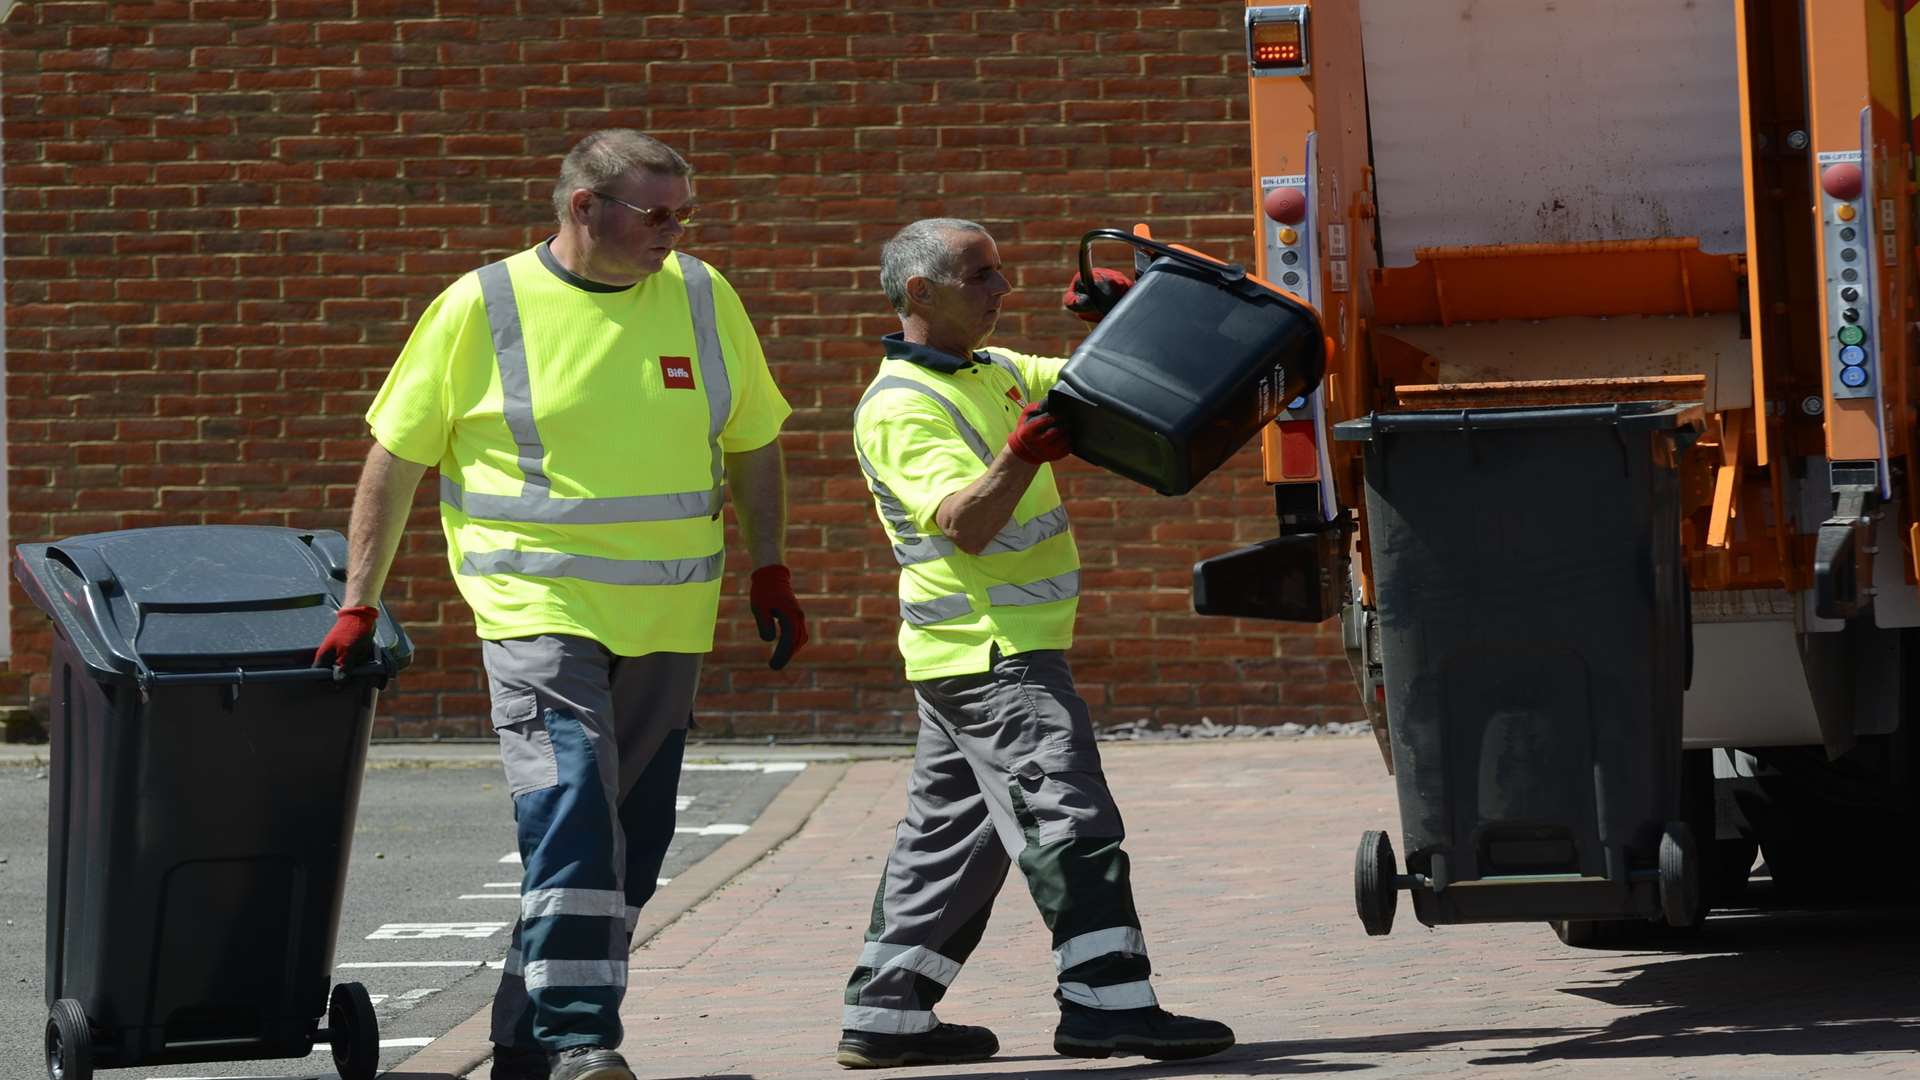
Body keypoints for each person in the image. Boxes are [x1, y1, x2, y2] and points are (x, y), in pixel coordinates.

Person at [313, 130, 807, 1080]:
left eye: (683, 213)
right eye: (656, 212)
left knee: (635, 832)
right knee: (572, 806)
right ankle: (582, 1035)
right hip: (534, 607)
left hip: (669, 613)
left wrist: (769, 567)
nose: (676, 231)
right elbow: (398, 457)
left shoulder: (704, 295)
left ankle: (523, 1042)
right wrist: (359, 601)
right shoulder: (482, 304)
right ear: (585, 207)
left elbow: (752, 439)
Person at [832, 218, 1235, 1069]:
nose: (1002, 290)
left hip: (976, 658)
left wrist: (1123, 324)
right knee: (1069, 817)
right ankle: (1106, 1005)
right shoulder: (902, 406)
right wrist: (1018, 457)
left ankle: (888, 1012)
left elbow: (1097, 394)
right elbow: (965, 525)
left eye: (1000, 273)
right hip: (995, 657)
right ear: (920, 293)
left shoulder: (996, 368)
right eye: (982, 276)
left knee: (948, 839)